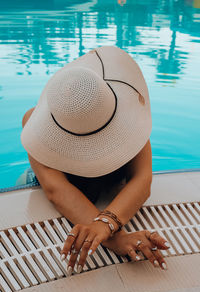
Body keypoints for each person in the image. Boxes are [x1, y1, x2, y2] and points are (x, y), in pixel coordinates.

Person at [21, 45, 170, 276]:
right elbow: (56, 189)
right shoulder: (33, 123)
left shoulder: (131, 115)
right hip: (46, 182)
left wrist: (104, 224)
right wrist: (116, 238)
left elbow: (142, 179)